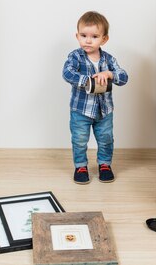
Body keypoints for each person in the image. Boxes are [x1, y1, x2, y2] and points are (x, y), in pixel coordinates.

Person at [62, 11, 128, 184]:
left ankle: (104, 165)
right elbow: (67, 73)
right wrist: (87, 80)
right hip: (81, 110)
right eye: (83, 36)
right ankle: (81, 166)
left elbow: (124, 76)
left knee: (106, 139)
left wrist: (110, 74)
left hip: (104, 110)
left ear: (104, 39)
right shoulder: (75, 57)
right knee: (80, 139)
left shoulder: (108, 60)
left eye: (94, 36)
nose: (88, 40)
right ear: (77, 36)